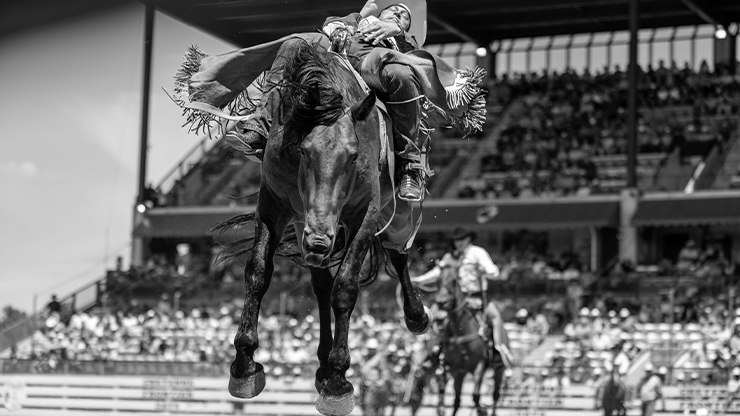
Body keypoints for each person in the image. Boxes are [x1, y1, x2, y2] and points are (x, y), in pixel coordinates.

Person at [174, 0, 486, 203]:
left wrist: (399, 35)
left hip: (376, 64)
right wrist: (341, 31)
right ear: (381, 10)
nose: (398, 14)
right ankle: (261, 123)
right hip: (335, 60)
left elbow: (413, 56)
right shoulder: (358, 19)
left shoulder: (403, 40)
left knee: (403, 77)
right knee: (296, 42)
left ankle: (409, 165)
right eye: (394, 10)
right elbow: (331, 24)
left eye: (404, 16)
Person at [410, 226, 511, 364]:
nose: (459, 242)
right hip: (453, 299)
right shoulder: (449, 257)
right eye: (456, 240)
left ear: (469, 239)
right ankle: (432, 352)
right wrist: (419, 280)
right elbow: (437, 273)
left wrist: (487, 271)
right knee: (432, 318)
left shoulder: (477, 253)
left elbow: (493, 271)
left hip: (477, 296)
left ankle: (499, 350)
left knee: (495, 317)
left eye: (462, 239)